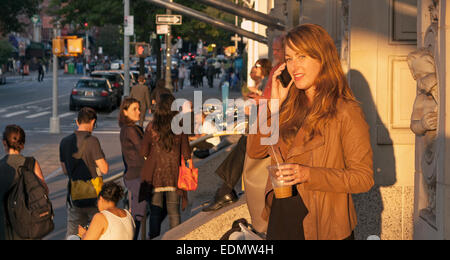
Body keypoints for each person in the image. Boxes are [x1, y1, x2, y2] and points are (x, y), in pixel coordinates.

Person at [247, 24, 374, 240]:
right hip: (282, 218)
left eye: (302, 56)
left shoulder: (346, 110)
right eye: (289, 58)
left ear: (322, 58)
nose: (293, 66)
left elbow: (363, 178)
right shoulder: (286, 107)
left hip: (324, 225)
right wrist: (272, 105)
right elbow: (255, 150)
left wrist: (307, 174)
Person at [139, 93, 192, 239]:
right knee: (174, 212)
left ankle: (154, 237)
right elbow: (187, 153)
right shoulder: (180, 125)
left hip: (155, 176)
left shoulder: (152, 126)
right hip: (174, 176)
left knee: (155, 212)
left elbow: (143, 151)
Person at [59, 107, 109, 238]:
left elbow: (65, 170)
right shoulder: (93, 141)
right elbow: (104, 169)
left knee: (73, 233)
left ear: (77, 122)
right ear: (93, 122)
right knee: (97, 232)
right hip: (94, 196)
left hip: (74, 195)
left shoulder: (64, 142)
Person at [0, 125, 49, 240]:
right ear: (23, 143)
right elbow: (44, 190)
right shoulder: (31, 163)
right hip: (29, 225)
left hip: (6, 228)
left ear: (4, 143)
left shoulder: (1, 166)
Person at [119, 97, 147, 240]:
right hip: (136, 176)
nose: (139, 112)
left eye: (139, 108)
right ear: (125, 112)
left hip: (136, 175)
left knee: (140, 212)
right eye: (134, 109)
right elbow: (143, 149)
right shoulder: (130, 129)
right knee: (138, 213)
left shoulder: (131, 128)